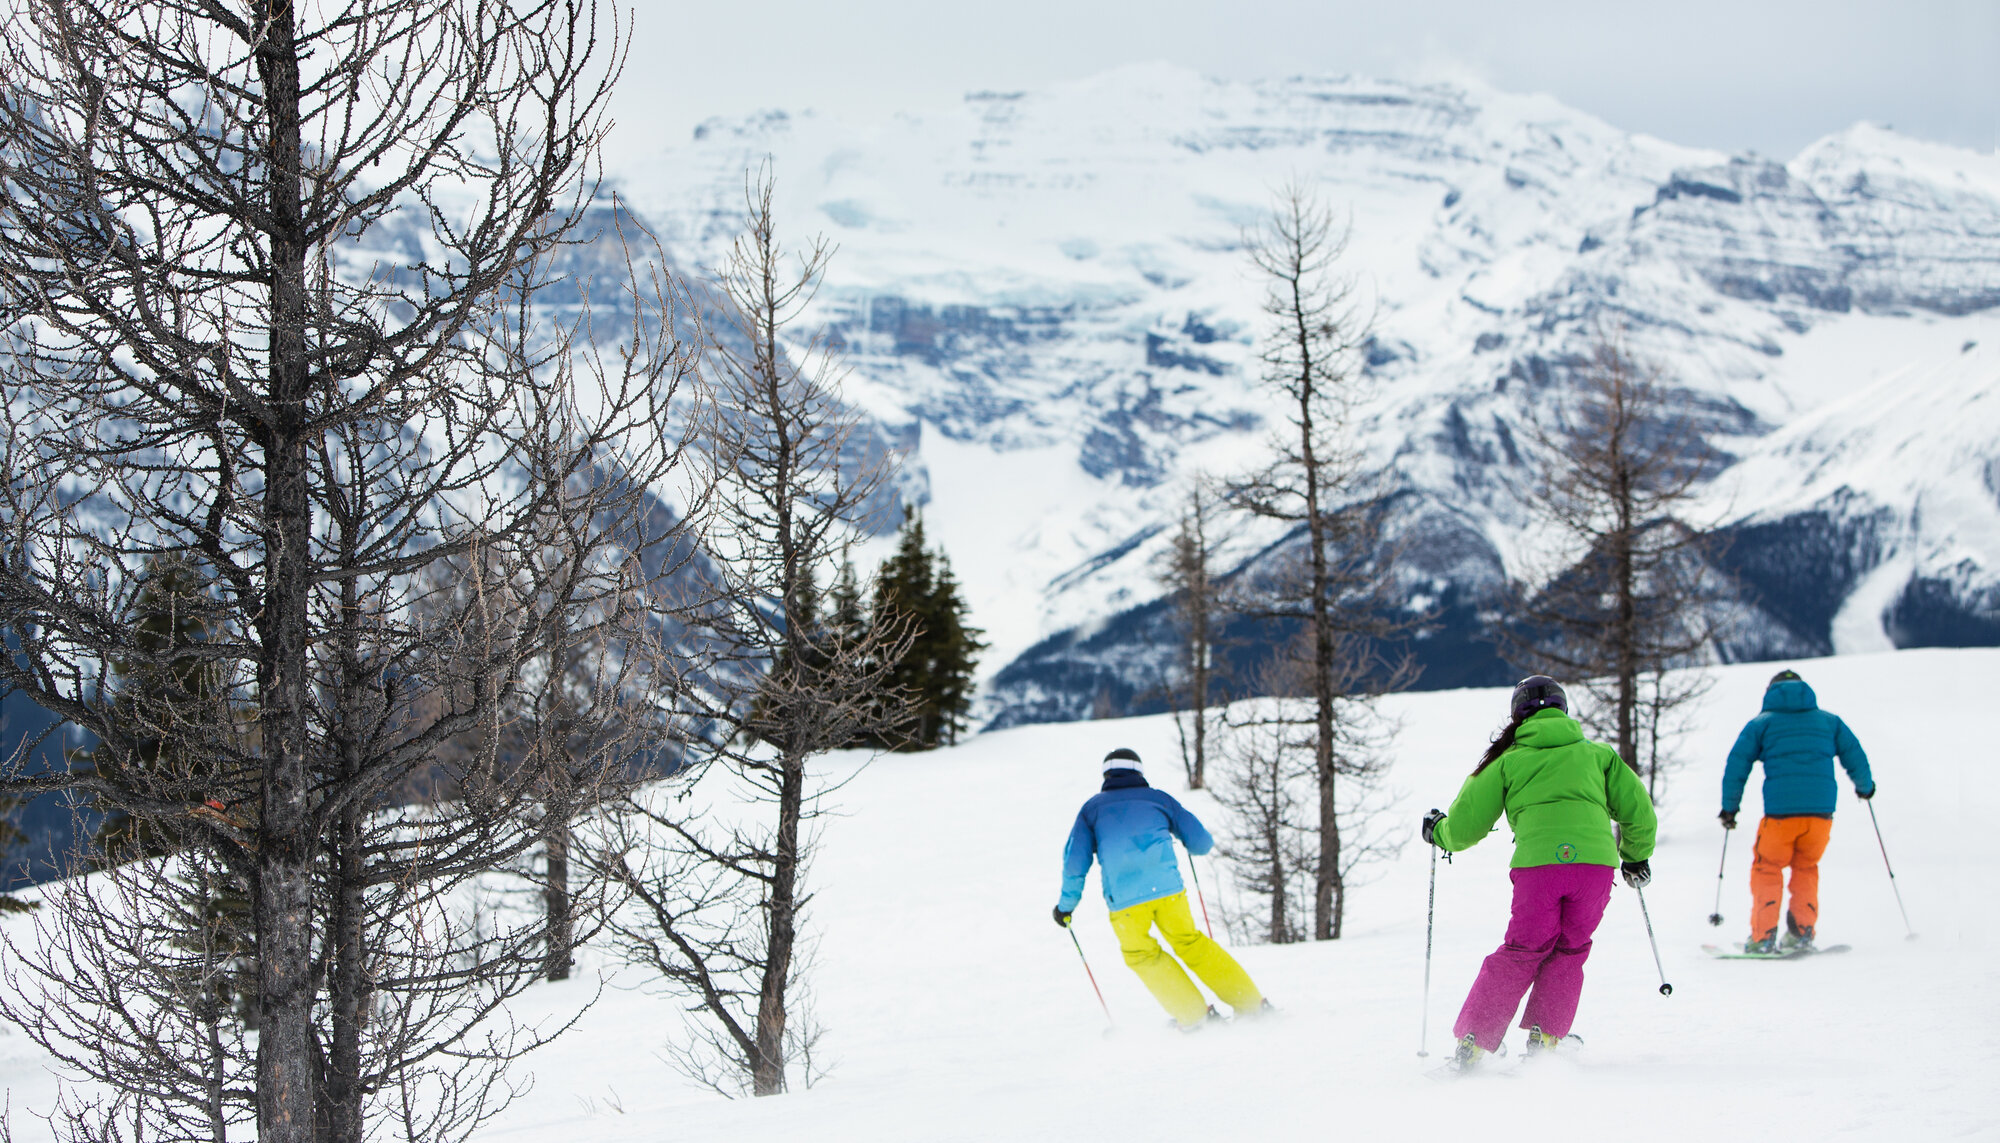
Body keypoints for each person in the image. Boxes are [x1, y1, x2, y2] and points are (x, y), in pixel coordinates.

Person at [1422, 675, 1656, 1070]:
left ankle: (1474, 1044)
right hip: (1594, 870)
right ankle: (1546, 1039)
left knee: (1522, 950)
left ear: (1518, 716)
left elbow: (1464, 829)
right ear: (1563, 709)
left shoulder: (1507, 760)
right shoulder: (1598, 755)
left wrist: (1438, 832)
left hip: (1538, 871)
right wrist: (1635, 857)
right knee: (1570, 948)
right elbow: (1639, 812)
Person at [1052, 747, 1265, 1030]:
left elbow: (1074, 864)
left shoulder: (1092, 809)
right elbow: (1201, 843)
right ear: (1139, 772)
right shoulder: (1159, 799)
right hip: (1169, 892)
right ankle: (1251, 1004)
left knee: (1142, 955)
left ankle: (1195, 1017)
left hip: (1126, 903)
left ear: (1106, 774)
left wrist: (1066, 906)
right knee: (1191, 943)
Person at [1720, 668, 1873, 954]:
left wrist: (1730, 808)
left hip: (1780, 814)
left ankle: (1763, 937)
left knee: (1768, 868)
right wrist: (1865, 787)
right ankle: (1802, 933)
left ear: (1771, 692)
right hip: (1821, 814)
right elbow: (1855, 754)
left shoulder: (1761, 724)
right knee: (1806, 867)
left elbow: (1737, 765)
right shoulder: (1829, 722)